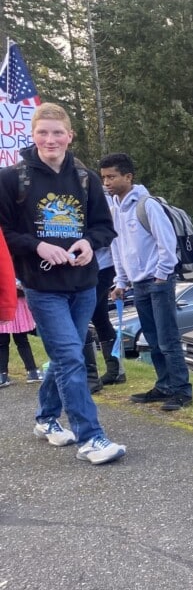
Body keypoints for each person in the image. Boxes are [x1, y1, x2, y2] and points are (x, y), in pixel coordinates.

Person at [0, 102, 125, 464]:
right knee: (71, 357)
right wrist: (37, 244)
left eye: (57, 132)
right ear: (33, 135)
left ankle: (46, 418)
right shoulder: (12, 179)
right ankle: (92, 438)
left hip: (85, 285)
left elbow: (105, 226)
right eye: (43, 132)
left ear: (69, 136)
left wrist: (90, 242)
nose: (50, 139)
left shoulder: (86, 179)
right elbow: (5, 232)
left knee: (62, 356)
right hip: (41, 285)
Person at [101, 153, 192, 411]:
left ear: (128, 177)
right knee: (152, 339)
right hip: (138, 284)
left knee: (167, 339)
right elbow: (117, 248)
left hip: (158, 280)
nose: (106, 182)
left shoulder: (147, 204)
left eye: (112, 176)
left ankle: (182, 391)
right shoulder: (115, 208)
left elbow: (167, 243)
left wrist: (162, 274)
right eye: (104, 177)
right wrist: (120, 281)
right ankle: (164, 386)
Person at [92, 186, 126, 387]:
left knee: (86, 313)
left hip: (104, 265)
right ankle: (115, 370)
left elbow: (111, 233)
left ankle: (105, 372)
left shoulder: (103, 200)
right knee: (99, 317)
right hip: (89, 266)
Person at [0, 279, 44, 387]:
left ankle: (2, 375)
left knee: (2, 342)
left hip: (6, 300)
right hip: (14, 300)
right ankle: (32, 372)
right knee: (21, 340)